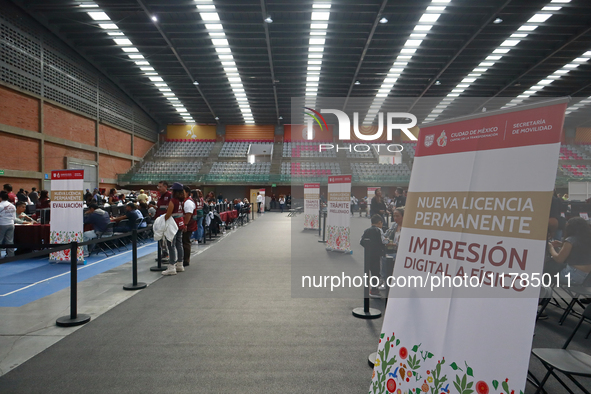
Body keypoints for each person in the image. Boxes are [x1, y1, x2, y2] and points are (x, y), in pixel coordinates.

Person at [545, 217, 591, 285]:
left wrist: (550, 248)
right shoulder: (586, 240)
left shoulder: (570, 240)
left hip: (570, 275)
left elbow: (559, 259)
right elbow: (578, 250)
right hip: (585, 278)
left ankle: (543, 293)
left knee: (544, 270)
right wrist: (562, 245)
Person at [161, 183, 186, 276]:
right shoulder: (181, 200)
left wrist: (162, 221)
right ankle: (180, 264)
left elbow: (168, 214)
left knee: (171, 245)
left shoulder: (173, 200)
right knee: (179, 244)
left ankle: (171, 266)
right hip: (180, 223)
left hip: (173, 225)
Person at [360, 215, 386, 298]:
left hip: (369, 254)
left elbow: (362, 241)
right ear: (379, 223)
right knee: (377, 272)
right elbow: (383, 241)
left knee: (371, 271)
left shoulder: (367, 230)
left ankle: (372, 289)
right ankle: (374, 290)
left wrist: (368, 247)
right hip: (377, 254)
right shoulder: (379, 230)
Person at [155, 181, 172, 262]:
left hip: (166, 219)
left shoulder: (169, 196)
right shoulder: (160, 196)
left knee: (167, 238)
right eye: (158, 187)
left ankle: (169, 255)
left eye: (160, 186)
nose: (159, 188)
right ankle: (164, 253)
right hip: (159, 220)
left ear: (165, 187)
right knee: (161, 238)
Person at [182, 185, 196, 267]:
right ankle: (184, 258)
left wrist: (185, 224)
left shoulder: (188, 202)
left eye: (182, 192)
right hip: (186, 224)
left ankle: (186, 259)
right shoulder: (185, 201)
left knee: (186, 242)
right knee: (184, 242)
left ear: (187, 192)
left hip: (188, 225)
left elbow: (188, 214)